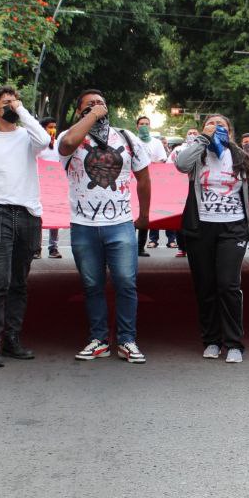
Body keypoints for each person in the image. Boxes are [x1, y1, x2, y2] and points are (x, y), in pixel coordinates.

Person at [58, 89, 152, 363]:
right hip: (83, 226)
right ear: (79, 112)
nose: (99, 107)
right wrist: (90, 118)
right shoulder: (70, 138)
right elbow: (67, 146)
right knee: (92, 285)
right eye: (91, 104)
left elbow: (144, 178)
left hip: (120, 225)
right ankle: (98, 339)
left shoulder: (126, 137)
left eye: (102, 104)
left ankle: (127, 340)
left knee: (126, 283)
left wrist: (144, 215)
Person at [0, 86, 50, 368]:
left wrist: (22, 110)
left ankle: (12, 340)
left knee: (19, 282)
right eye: (6, 103)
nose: (12, 107)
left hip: (28, 214)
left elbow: (44, 139)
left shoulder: (28, 136)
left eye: (15, 102)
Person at [175, 114, 249, 362]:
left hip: (232, 228)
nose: (216, 128)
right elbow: (181, 164)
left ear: (230, 132)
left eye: (221, 125)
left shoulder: (238, 156)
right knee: (205, 286)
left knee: (228, 284)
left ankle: (234, 343)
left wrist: (239, 204)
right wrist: (203, 140)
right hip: (200, 227)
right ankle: (211, 340)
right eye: (210, 124)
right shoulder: (196, 155)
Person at [135, 115, 167, 255]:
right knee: (131, 214)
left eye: (146, 124)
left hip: (151, 183)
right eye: (141, 124)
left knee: (145, 213)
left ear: (150, 126)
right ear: (137, 126)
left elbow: (162, 160)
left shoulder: (156, 143)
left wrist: (150, 166)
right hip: (132, 182)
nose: (144, 126)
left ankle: (141, 247)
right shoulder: (132, 141)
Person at [36, 116, 64, 259]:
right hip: (40, 186)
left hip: (55, 187)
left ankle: (53, 248)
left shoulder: (58, 144)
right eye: (49, 127)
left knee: (55, 216)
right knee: (38, 216)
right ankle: (36, 248)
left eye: (54, 126)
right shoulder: (38, 145)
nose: (52, 129)